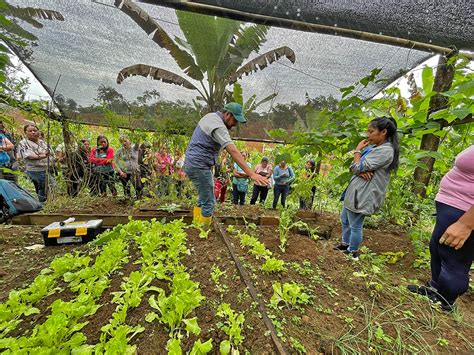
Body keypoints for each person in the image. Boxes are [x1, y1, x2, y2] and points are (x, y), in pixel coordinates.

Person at [408, 145, 473, 312]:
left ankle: (444, 304)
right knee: (437, 248)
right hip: (454, 206)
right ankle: (436, 291)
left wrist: (466, 224)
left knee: (454, 260)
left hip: (465, 213)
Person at [184, 102, 268, 226]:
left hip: (194, 163)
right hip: (199, 165)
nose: (235, 124)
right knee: (209, 202)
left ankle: (198, 225)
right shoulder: (218, 125)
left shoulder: (211, 116)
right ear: (227, 114)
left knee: (204, 197)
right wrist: (251, 173)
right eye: (235, 120)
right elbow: (232, 150)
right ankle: (204, 232)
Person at [334, 116, 399, 259]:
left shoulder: (385, 151)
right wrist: (359, 170)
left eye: (371, 131)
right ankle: (345, 244)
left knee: (355, 224)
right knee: (345, 219)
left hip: (363, 194)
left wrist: (357, 151)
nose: (367, 135)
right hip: (355, 191)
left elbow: (357, 166)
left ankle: (353, 252)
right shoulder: (374, 148)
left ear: (383, 132)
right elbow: (355, 168)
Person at [17, 124, 56, 202]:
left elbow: (50, 152)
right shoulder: (23, 143)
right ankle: (42, 205)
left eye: (35, 130)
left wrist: (42, 154)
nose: (33, 132)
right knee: (42, 189)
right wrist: (44, 154)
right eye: (30, 131)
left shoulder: (42, 142)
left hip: (45, 169)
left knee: (51, 187)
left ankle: (47, 204)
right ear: (25, 133)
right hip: (36, 170)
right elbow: (30, 156)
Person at [115, 134, 142, 199]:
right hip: (125, 172)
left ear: (129, 141)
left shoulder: (134, 148)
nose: (123, 143)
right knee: (126, 187)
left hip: (135, 171)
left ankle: (139, 199)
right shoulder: (120, 151)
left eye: (125, 141)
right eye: (121, 142)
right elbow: (116, 162)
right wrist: (120, 172)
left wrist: (135, 134)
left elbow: (137, 142)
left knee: (138, 187)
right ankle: (127, 199)